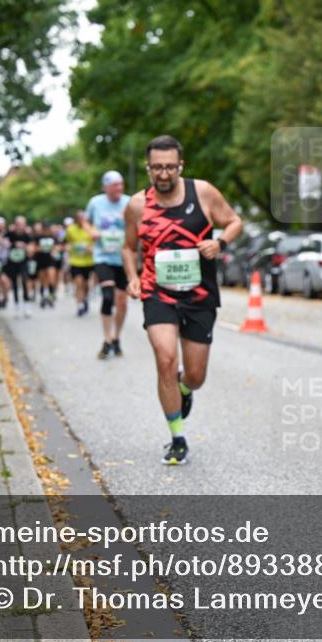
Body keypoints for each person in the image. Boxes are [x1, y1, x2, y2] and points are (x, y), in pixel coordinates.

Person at [123, 135, 243, 465]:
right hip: (157, 292)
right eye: (157, 168)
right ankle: (177, 437)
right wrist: (133, 278)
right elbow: (128, 247)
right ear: (148, 167)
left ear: (181, 166)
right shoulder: (136, 205)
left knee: (195, 375)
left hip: (200, 294)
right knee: (164, 359)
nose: (163, 174)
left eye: (170, 167)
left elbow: (234, 221)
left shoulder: (202, 192)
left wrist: (219, 243)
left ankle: (185, 389)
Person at [86, 171, 131, 358]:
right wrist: (92, 232)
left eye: (121, 184)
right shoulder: (95, 202)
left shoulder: (129, 202)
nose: (119, 188)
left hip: (123, 257)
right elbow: (87, 222)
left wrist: (127, 219)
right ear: (106, 188)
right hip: (102, 256)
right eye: (114, 185)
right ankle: (106, 339)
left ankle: (116, 337)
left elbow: (141, 224)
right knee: (107, 296)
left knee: (122, 301)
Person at [65, 211, 95, 316]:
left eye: (83, 219)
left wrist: (91, 249)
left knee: (86, 284)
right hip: (75, 261)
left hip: (88, 261)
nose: (81, 221)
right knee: (78, 283)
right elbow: (67, 242)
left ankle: (85, 298)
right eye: (79, 219)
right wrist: (69, 248)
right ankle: (80, 305)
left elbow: (97, 243)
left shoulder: (91, 228)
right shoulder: (70, 229)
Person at [4, 216, 33, 318]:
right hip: (12, 262)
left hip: (23, 262)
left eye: (22, 224)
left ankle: (26, 305)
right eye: (18, 224)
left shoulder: (27, 235)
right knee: (14, 283)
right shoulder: (10, 234)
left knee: (25, 282)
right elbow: (4, 243)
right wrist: (12, 244)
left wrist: (24, 246)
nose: (20, 226)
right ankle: (16, 306)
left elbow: (31, 250)